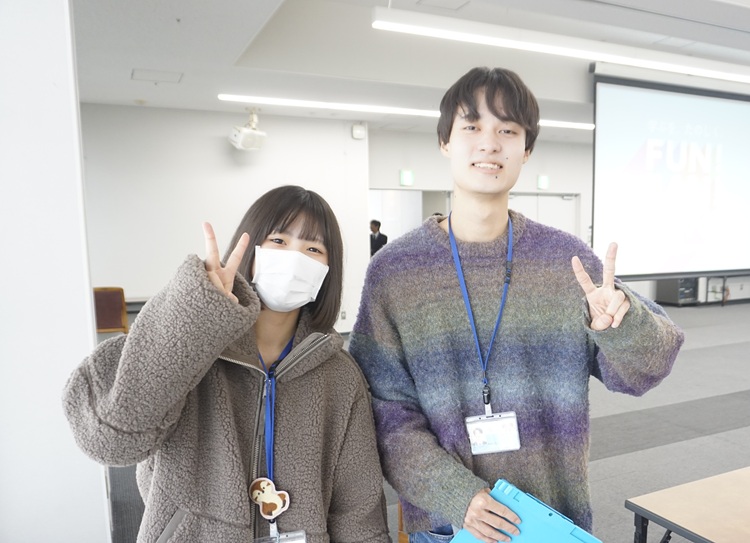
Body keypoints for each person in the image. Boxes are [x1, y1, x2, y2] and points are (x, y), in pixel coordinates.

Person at [348, 67, 685, 543]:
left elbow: (645, 371)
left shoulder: (565, 260)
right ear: (445, 141)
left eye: (507, 130)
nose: (489, 144)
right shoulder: (394, 272)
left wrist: (620, 326)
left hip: (551, 520)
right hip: (449, 525)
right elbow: (384, 414)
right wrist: (457, 494)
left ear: (526, 150)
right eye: (472, 127)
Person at [63, 185, 391, 543]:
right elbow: (109, 442)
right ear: (250, 249)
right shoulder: (192, 347)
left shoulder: (340, 375)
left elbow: (359, 513)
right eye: (278, 240)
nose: (295, 257)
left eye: (313, 249)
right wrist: (195, 314)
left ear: (328, 269)